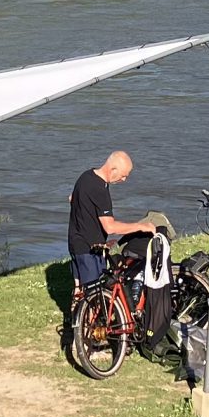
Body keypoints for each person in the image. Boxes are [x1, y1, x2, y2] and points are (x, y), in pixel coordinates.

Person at [66, 151, 178, 357]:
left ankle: (74, 333)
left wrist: (90, 226)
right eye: (124, 175)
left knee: (79, 291)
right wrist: (140, 226)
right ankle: (87, 345)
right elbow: (110, 226)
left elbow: (72, 199)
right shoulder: (100, 189)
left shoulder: (85, 177)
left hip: (75, 242)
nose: (124, 180)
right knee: (93, 298)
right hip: (88, 249)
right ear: (113, 168)